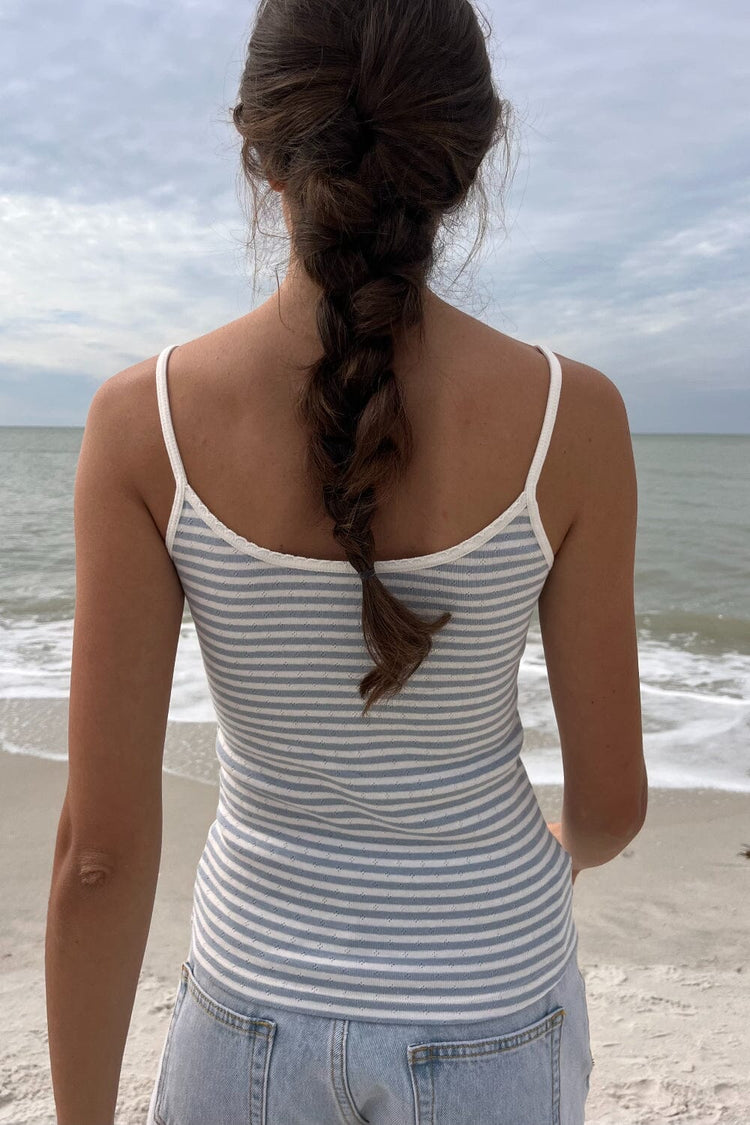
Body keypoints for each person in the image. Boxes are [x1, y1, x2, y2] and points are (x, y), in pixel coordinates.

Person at [45, 1, 647, 1123]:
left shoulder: (146, 424)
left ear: (258, 146)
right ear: (468, 152)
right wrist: (548, 857)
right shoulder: (577, 418)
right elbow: (612, 803)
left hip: (251, 1007)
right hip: (494, 1001)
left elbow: (99, 856)